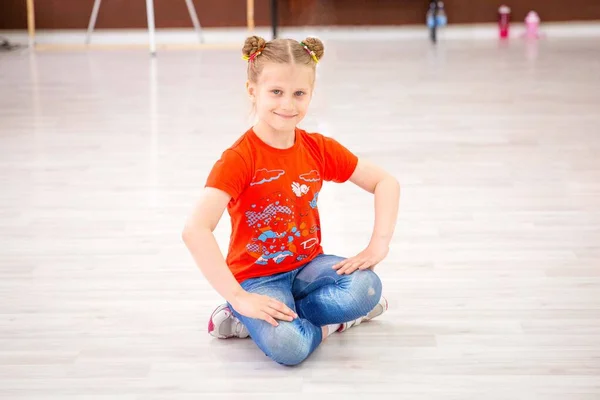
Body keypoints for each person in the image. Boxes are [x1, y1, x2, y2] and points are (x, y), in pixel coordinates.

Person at [182, 35, 400, 366]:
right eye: (276, 92)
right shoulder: (239, 159)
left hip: (307, 267)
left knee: (367, 288)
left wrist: (377, 246)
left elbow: (386, 182)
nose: (288, 104)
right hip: (257, 279)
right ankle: (251, 314)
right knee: (290, 347)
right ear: (253, 91)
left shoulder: (317, 148)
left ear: (311, 93)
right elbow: (195, 229)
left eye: (299, 93)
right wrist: (240, 297)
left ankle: (292, 319)